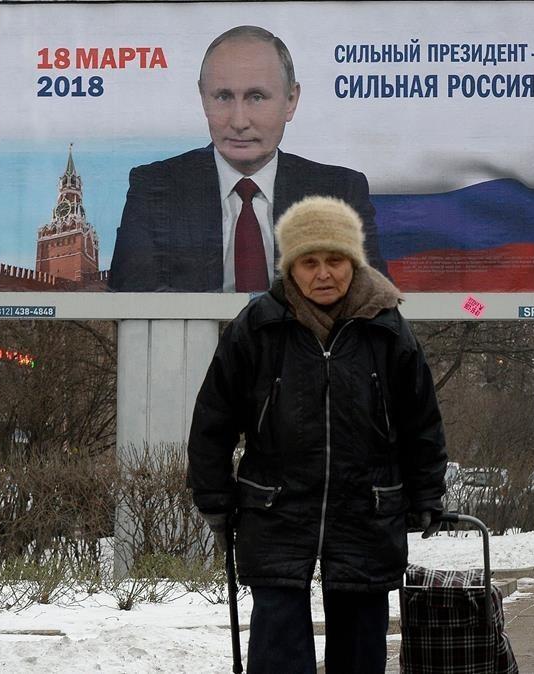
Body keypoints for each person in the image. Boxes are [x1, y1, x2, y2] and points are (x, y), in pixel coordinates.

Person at [187, 196, 447, 672]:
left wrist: (426, 491)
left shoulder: (388, 330)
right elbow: (214, 418)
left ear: (353, 261)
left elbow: (421, 423)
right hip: (276, 508)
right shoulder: (258, 327)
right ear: (291, 268)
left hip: (366, 509)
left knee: (361, 645)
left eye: (336, 260)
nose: (324, 274)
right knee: (278, 642)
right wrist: (212, 494)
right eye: (310, 262)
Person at [108, 25, 387, 292]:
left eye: (256, 97)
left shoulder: (339, 192)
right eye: (223, 97)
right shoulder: (155, 189)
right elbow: (131, 300)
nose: (239, 121)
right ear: (204, 99)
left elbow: (371, 301)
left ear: (290, 100)